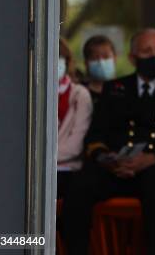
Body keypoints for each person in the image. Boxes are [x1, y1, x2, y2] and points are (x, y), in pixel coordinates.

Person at [60, 28, 155, 255]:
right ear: (132, 57)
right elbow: (95, 135)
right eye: (147, 51)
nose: (154, 56)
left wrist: (150, 158)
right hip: (116, 168)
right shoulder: (115, 88)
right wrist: (107, 158)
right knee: (79, 187)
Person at [57, 38, 93, 198]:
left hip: (68, 170)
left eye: (59, 58)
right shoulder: (27, 91)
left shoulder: (80, 94)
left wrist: (38, 158)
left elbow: (76, 145)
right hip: (30, 169)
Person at [82, 35, 117, 107]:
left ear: (115, 58)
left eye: (106, 56)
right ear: (86, 63)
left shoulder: (127, 90)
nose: (101, 62)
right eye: (95, 57)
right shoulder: (79, 93)